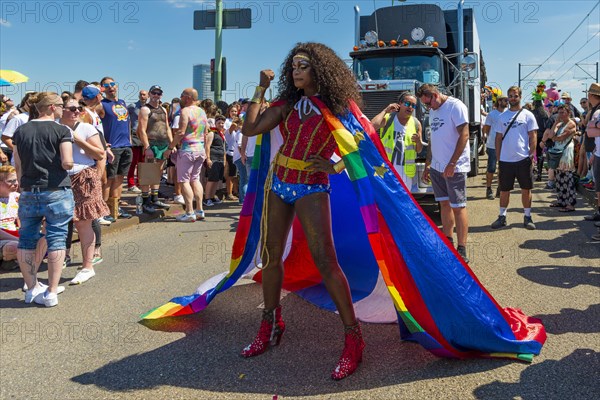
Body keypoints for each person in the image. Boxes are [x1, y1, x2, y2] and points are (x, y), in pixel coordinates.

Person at [13, 92, 74, 307]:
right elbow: (67, 162)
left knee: (26, 240)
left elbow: (18, 165)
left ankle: (31, 289)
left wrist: (23, 185)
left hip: (29, 190)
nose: (63, 110)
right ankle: (51, 291)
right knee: (56, 238)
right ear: (50, 107)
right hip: (56, 189)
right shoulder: (61, 130)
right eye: (60, 106)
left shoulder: (21, 130)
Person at [416, 84, 471, 263]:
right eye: (425, 105)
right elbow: (433, 138)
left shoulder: (456, 106)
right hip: (437, 167)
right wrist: (428, 163)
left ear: (435, 94)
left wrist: (452, 163)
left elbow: (464, 134)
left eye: (429, 103)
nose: (428, 107)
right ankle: (447, 241)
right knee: (444, 205)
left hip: (454, 167)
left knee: (458, 206)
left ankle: (462, 248)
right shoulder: (433, 111)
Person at [59, 99, 109, 284]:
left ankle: (88, 266)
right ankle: (62, 258)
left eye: (79, 108)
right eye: (72, 108)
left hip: (83, 176)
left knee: (83, 223)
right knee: (58, 222)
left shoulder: (87, 128)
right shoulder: (55, 127)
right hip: (60, 178)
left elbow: (100, 154)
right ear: (60, 110)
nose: (77, 111)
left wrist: (78, 140)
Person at [490, 86, 538, 230]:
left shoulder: (528, 115)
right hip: (506, 160)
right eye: (510, 96)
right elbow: (498, 138)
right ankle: (502, 216)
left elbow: (533, 136)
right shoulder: (502, 117)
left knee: (526, 189)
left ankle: (527, 216)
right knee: (504, 190)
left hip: (523, 159)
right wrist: (499, 157)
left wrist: (532, 154)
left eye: (515, 96)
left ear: (520, 97)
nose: (512, 98)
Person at [165, 88, 207, 222]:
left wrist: (171, 147)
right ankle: (199, 210)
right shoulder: (202, 112)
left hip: (187, 149)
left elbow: (181, 132)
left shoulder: (185, 111)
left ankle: (189, 212)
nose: (180, 98)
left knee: (184, 181)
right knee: (195, 179)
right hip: (200, 149)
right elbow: (205, 132)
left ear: (188, 97)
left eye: (182, 96)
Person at [371, 92, 424, 193]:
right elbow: (372, 126)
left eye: (413, 105)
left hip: (406, 173)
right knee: (386, 201)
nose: (410, 108)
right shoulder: (389, 118)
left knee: (402, 202)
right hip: (386, 170)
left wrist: (418, 141)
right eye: (408, 104)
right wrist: (385, 110)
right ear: (400, 103)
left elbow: (419, 149)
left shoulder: (416, 123)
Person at [99, 77, 133, 220]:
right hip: (113, 147)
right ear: (102, 89)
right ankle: (103, 210)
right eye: (106, 85)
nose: (110, 87)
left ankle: (115, 208)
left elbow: (128, 123)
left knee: (120, 179)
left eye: (112, 84)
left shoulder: (122, 103)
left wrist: (130, 139)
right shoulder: (101, 105)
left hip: (126, 146)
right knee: (108, 180)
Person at [136, 85, 172, 213]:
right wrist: (147, 147)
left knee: (158, 172)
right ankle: (145, 200)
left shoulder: (163, 109)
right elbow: (141, 130)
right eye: (154, 93)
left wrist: (171, 145)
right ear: (150, 94)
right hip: (151, 143)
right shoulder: (145, 109)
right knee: (148, 172)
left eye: (159, 93)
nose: (156, 95)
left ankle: (154, 197)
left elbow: (167, 127)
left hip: (163, 144)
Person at [542, 104, 577, 212]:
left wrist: (553, 137)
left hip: (566, 153)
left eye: (563, 112)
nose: (560, 114)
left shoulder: (571, 124)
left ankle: (570, 204)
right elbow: (551, 134)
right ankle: (561, 200)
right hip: (558, 152)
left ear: (569, 113)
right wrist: (556, 123)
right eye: (559, 112)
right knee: (559, 178)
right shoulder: (560, 123)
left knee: (567, 178)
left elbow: (561, 137)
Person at [582, 83, 600, 241]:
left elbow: (591, 129)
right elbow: (589, 129)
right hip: (597, 151)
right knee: (598, 188)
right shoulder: (594, 110)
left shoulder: (598, 110)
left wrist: (592, 125)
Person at [482, 94, 508, 198]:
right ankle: (488, 188)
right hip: (492, 145)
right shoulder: (492, 114)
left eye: (507, 100)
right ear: (499, 101)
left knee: (502, 168)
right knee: (491, 168)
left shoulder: (509, 114)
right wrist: (490, 138)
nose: (507, 102)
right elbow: (486, 128)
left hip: (505, 145)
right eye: (504, 100)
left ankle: (499, 188)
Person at [126, 90, 148, 194]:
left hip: (145, 136)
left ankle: (141, 183)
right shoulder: (132, 106)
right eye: (141, 94)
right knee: (133, 161)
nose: (142, 96)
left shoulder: (149, 108)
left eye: (144, 94)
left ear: (148, 96)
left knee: (142, 162)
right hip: (135, 135)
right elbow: (126, 119)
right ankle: (131, 184)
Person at [203, 115, 227, 207]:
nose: (221, 124)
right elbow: (207, 146)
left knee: (217, 179)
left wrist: (224, 160)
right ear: (215, 123)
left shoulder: (221, 135)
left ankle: (212, 196)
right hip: (213, 157)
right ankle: (207, 198)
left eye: (222, 123)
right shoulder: (212, 133)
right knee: (211, 179)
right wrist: (208, 158)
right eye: (219, 123)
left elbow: (223, 148)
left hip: (220, 159)